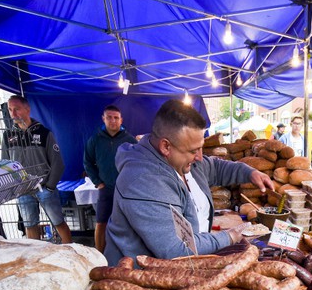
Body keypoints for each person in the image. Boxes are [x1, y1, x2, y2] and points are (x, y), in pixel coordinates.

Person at [104, 99, 274, 265]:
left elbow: (216, 167)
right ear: (166, 147)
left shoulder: (185, 161)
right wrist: (230, 236)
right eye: (194, 150)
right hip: (138, 276)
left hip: (186, 265)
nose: (200, 156)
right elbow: (176, 249)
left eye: (201, 147)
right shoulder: (142, 180)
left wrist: (249, 173)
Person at [2, 95, 72, 243]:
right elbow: (4, 164)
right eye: (10, 109)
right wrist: (13, 187)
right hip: (22, 191)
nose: (13, 113)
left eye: (17, 109)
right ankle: (36, 254)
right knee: (30, 225)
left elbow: (58, 163)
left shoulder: (44, 133)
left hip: (44, 188)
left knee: (58, 222)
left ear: (27, 109)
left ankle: (71, 250)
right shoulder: (8, 135)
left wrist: (50, 187)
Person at [83, 105, 137, 252]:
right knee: (101, 223)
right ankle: (100, 255)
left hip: (126, 191)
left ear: (121, 120)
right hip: (105, 189)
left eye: (116, 118)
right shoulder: (95, 140)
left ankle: (127, 254)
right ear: (103, 119)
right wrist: (97, 182)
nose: (113, 121)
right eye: (109, 117)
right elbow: (87, 162)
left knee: (128, 223)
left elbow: (139, 164)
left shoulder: (130, 140)